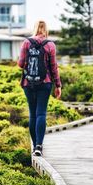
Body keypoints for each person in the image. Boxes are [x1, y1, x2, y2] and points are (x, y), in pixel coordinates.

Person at [18, 20, 61, 156]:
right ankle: (38, 146)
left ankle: (34, 145)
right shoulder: (50, 45)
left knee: (32, 114)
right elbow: (54, 67)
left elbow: (20, 64)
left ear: (35, 28)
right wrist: (58, 85)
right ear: (46, 29)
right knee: (41, 113)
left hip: (28, 83)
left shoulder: (26, 42)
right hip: (45, 83)